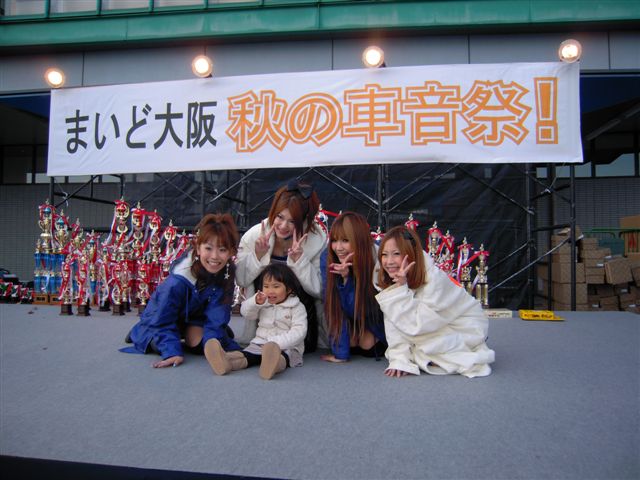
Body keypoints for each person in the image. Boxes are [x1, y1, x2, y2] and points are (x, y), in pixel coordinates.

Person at [121, 213, 241, 368]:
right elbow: (162, 319)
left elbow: (217, 314)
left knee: (206, 343)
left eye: (222, 250)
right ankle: (138, 331)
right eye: (208, 248)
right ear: (198, 248)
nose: (214, 256)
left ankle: (198, 336)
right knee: (158, 342)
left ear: (231, 252)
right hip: (160, 319)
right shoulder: (177, 282)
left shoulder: (226, 275)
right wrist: (172, 352)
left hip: (193, 318)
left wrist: (214, 343)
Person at [375, 226, 495, 378]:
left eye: (396, 254)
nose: (389, 261)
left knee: (424, 347)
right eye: (384, 255)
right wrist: (399, 359)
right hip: (427, 325)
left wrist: (400, 292)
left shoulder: (435, 280)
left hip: (465, 326)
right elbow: (395, 321)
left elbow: (418, 326)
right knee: (421, 347)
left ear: (411, 253)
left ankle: (458, 351)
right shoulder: (392, 278)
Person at [235, 180, 327, 352]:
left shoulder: (317, 239)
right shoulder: (254, 235)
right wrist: (258, 256)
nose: (283, 226)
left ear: (304, 220)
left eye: (292, 221)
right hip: (263, 315)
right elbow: (241, 280)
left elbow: (319, 290)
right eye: (280, 217)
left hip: (297, 315)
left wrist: (299, 261)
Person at [205, 263, 307, 380]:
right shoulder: (263, 303)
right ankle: (226, 361)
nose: (270, 291)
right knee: (246, 356)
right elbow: (246, 313)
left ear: (289, 289)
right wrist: (255, 302)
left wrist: (275, 343)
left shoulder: (296, 307)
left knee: (282, 358)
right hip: (260, 343)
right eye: (266, 286)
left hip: (288, 347)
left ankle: (271, 366)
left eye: (276, 286)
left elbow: (299, 332)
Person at [321, 212, 386, 363]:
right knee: (349, 343)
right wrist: (340, 354)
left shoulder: (378, 257)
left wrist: (348, 279)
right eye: (334, 240)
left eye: (345, 240)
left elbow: (368, 309)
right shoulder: (327, 258)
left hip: (372, 317)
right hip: (351, 320)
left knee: (367, 344)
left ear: (359, 239)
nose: (338, 248)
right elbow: (332, 305)